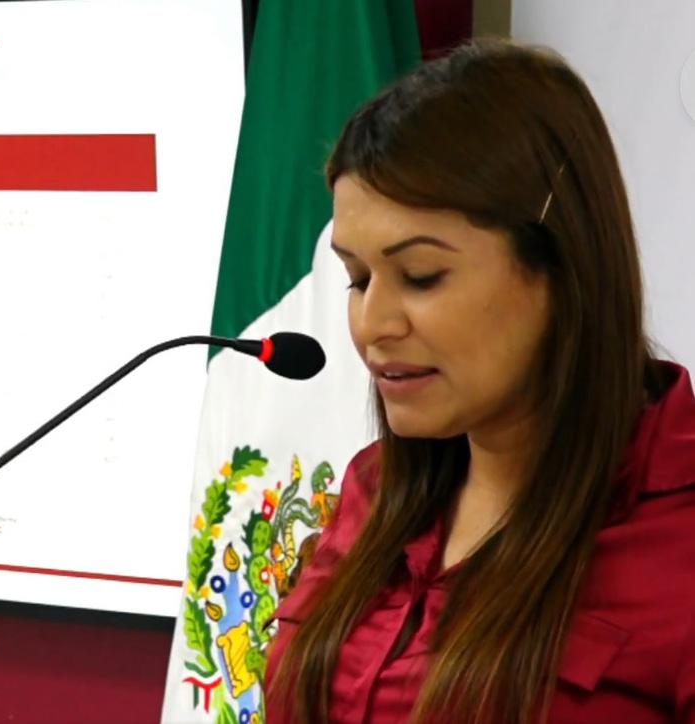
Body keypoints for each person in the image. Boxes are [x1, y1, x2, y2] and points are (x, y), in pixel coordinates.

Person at [263, 40, 695, 724]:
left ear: (561, 268)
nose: (372, 324)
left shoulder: (675, 533)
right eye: (358, 279)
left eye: (421, 276)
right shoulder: (373, 491)